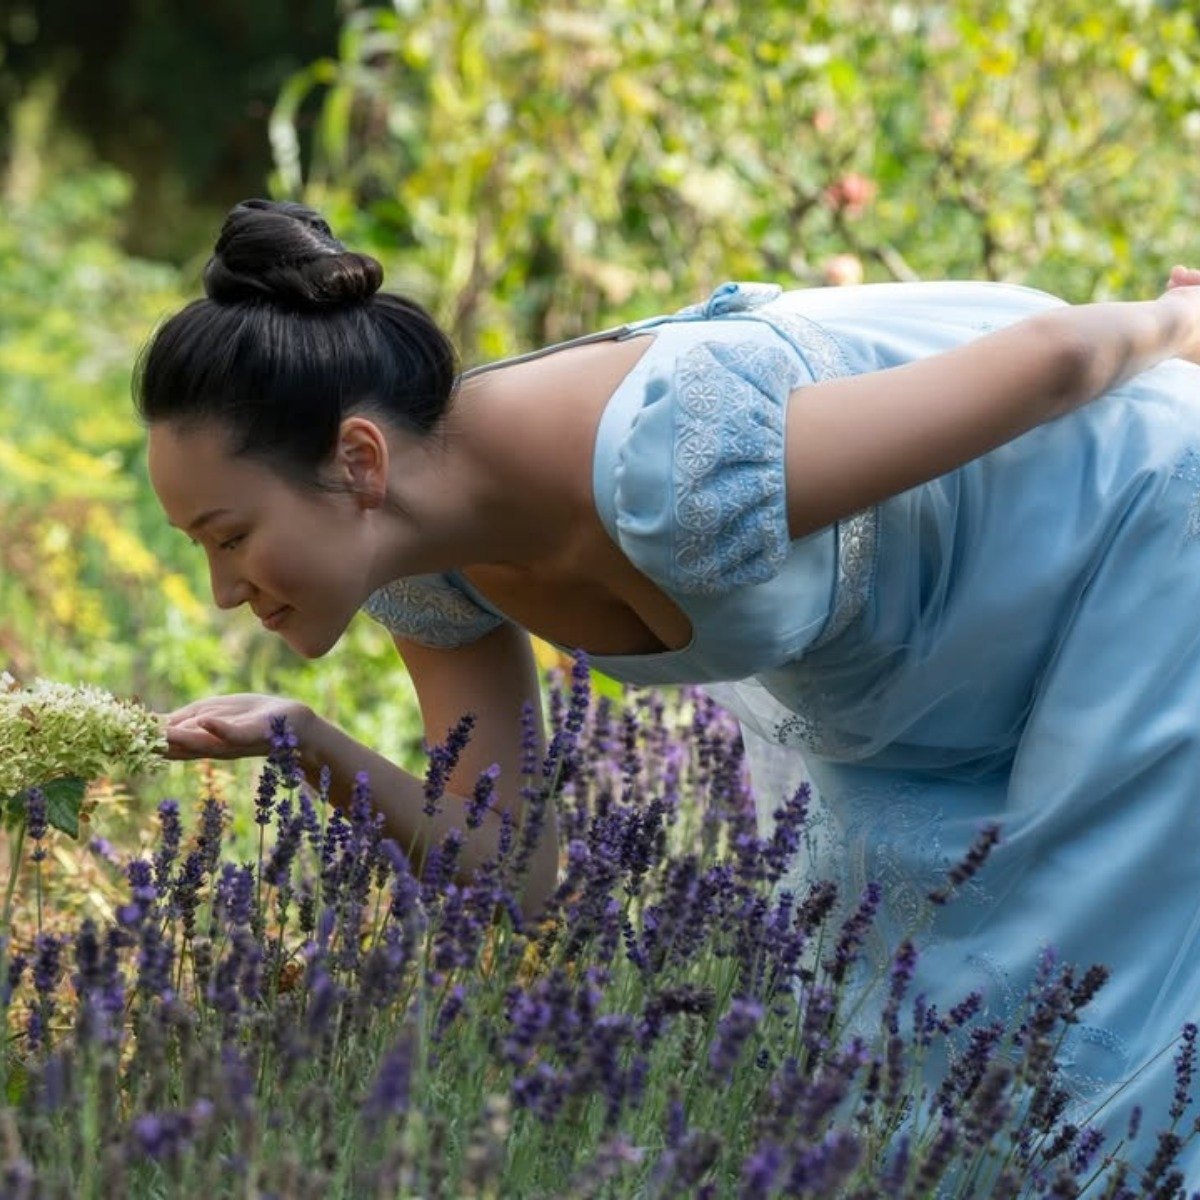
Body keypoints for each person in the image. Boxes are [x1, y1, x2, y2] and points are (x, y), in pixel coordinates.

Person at [146, 198, 1200, 1163]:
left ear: (360, 462)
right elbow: (517, 873)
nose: (224, 591)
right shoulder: (425, 573)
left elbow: (1060, 356)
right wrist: (305, 742)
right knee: (874, 1053)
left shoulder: (673, 464)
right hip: (944, 672)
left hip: (1141, 532)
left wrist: (1175, 324)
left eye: (229, 536)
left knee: (1092, 1020)